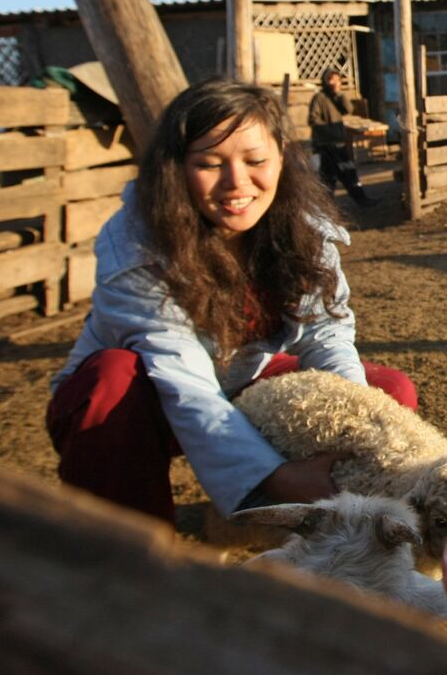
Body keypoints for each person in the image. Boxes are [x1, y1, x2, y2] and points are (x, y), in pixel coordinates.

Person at [46, 79, 418, 525]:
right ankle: (129, 551)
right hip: (149, 402)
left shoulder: (304, 230)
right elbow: (183, 379)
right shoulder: (136, 248)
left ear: (281, 155)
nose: (236, 183)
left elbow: (325, 333)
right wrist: (275, 475)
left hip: (246, 380)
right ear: (175, 167)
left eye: (256, 160)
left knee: (385, 395)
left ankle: (330, 536)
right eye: (208, 163)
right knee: (111, 380)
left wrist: (352, 433)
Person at [308, 66, 379, 208]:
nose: (335, 83)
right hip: (327, 144)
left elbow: (348, 109)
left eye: (338, 80)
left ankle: (359, 200)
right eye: (332, 80)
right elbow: (313, 119)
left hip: (338, 143)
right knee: (338, 174)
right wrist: (329, 132)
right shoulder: (319, 98)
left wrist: (339, 95)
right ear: (325, 81)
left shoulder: (336, 98)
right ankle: (329, 205)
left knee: (337, 174)